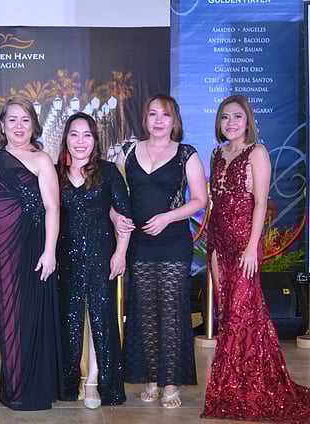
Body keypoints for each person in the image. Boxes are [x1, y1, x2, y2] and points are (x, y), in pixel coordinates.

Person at [201, 95, 310, 421]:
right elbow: (216, 201)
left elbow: (261, 203)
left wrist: (252, 247)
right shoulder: (217, 154)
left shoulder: (257, 153)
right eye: (225, 117)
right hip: (218, 244)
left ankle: (253, 387)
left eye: (237, 116)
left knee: (245, 315)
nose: (231, 123)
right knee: (229, 315)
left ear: (247, 120)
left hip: (244, 245)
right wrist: (213, 244)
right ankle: (231, 387)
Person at [114, 94, 207, 408]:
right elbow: (114, 195)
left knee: (171, 312)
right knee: (144, 312)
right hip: (139, 244)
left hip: (173, 243)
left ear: (174, 120)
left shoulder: (186, 154)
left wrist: (168, 217)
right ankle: (151, 378)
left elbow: (200, 200)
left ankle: (171, 383)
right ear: (145, 118)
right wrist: (116, 217)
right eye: (152, 114)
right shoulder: (128, 151)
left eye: (165, 115)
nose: (158, 120)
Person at [0, 96, 63, 410]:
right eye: (12, 120)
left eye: (25, 120)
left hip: (32, 249)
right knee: (7, 319)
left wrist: (50, 251)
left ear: (34, 126)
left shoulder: (42, 160)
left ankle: (30, 388)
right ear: (2, 125)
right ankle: (13, 385)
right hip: (2, 254)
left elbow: (53, 208)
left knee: (30, 317)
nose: (18, 126)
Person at [57, 113, 131, 409]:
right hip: (66, 260)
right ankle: (67, 383)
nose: (80, 141)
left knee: (102, 320)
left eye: (87, 135)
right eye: (74, 134)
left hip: (102, 257)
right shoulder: (55, 174)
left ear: (95, 140)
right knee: (70, 322)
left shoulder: (108, 171)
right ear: (65, 139)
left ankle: (95, 384)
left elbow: (124, 216)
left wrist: (120, 253)